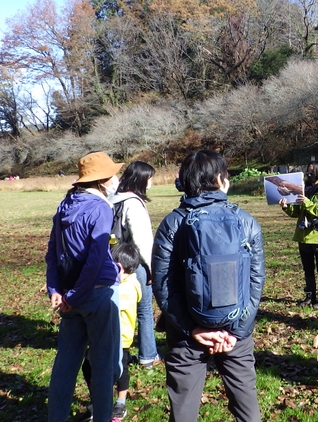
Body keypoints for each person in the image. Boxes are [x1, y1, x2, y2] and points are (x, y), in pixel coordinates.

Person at [152, 150, 265, 422]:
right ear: (219, 179)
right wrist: (235, 333)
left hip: (186, 335)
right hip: (235, 330)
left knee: (184, 412)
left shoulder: (172, 223)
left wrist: (193, 329)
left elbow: (163, 285)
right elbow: (255, 282)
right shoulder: (246, 221)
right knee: (247, 408)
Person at [44, 151, 124, 422]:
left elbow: (52, 252)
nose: (116, 179)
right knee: (104, 366)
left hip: (68, 295)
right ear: (102, 180)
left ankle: (56, 417)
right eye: (113, 175)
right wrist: (75, 295)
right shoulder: (101, 207)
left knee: (65, 363)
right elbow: (96, 259)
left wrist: (56, 291)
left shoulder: (64, 204)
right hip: (96, 294)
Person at [109, 160, 162, 368]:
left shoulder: (112, 198)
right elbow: (143, 242)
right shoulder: (134, 203)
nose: (151, 182)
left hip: (113, 260)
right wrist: (151, 268)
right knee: (144, 311)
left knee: (119, 309)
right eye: (150, 178)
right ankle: (148, 355)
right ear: (141, 179)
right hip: (134, 262)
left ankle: (118, 352)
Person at [82, 242, 141, 422]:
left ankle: (120, 403)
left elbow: (109, 305)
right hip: (107, 336)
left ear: (123, 269)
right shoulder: (123, 283)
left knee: (119, 370)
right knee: (89, 365)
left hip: (119, 338)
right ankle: (99, 400)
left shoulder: (126, 288)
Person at [279, 161, 318, 309]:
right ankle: (310, 295)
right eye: (308, 171)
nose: (309, 174)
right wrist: (286, 207)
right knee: (307, 269)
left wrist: (308, 203)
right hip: (303, 236)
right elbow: (297, 212)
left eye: (312, 172)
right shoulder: (301, 189)